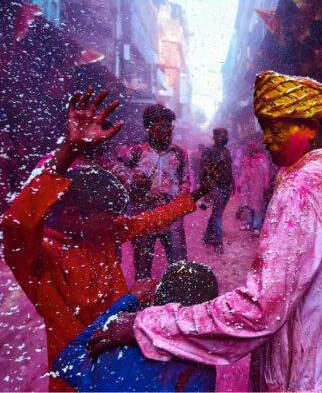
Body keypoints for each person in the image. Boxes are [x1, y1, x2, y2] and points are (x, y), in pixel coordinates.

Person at [88, 71, 322, 392]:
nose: (265, 140)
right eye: (265, 129)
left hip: (307, 377)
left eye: (275, 129)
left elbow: (258, 311)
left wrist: (150, 325)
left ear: (310, 128)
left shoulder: (300, 187)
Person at [2, 88, 210, 391]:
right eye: (107, 215)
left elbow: (148, 221)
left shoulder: (101, 233)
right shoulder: (41, 258)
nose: (116, 221)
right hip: (75, 380)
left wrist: (196, 196)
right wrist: (68, 152)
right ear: (75, 214)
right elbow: (16, 224)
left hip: (118, 369)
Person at [53, 262, 218, 392]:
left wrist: (126, 303)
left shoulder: (114, 338)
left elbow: (64, 361)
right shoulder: (199, 368)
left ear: (156, 299)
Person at [116, 104, 192, 280]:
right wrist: (134, 183)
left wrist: (180, 196)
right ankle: (142, 306)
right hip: (143, 221)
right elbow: (117, 174)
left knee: (180, 269)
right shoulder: (135, 152)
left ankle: (178, 305)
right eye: (161, 126)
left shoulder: (180, 153)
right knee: (142, 272)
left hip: (172, 221)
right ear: (148, 127)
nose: (167, 130)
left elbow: (186, 181)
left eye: (169, 126)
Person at [200, 127, 235, 254]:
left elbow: (229, 168)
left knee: (216, 212)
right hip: (215, 186)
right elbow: (203, 171)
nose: (224, 137)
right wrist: (207, 190)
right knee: (218, 214)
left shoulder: (227, 151)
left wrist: (233, 183)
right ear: (214, 137)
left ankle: (208, 236)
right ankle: (218, 241)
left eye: (226, 135)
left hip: (226, 186)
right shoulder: (208, 151)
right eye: (221, 135)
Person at [237, 141, 271, 234]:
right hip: (247, 187)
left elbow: (266, 173)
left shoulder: (262, 159)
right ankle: (250, 224)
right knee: (248, 205)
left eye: (252, 147)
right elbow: (243, 173)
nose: (250, 149)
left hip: (258, 186)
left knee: (257, 206)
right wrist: (240, 184)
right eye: (249, 147)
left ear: (255, 148)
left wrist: (265, 185)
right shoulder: (245, 160)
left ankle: (256, 227)